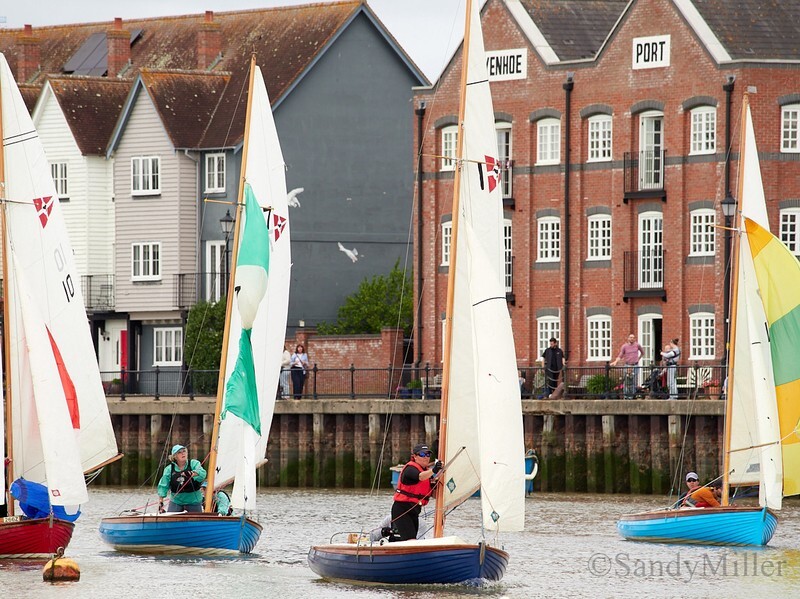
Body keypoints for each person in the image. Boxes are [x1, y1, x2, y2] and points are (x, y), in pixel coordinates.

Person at [390, 444, 442, 542]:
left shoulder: (427, 473)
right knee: (410, 540)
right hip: (402, 510)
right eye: (422, 454)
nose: (426, 457)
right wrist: (434, 470)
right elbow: (420, 477)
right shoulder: (410, 469)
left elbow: (432, 494)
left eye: (428, 454)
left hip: (415, 511)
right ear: (415, 457)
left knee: (412, 538)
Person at [157, 445, 207, 513]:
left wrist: (192, 473)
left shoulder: (193, 464)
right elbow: (163, 486)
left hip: (194, 501)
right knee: (170, 520)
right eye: (179, 452)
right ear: (175, 456)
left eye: (184, 451)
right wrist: (161, 502)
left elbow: (203, 474)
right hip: (176, 501)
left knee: (196, 521)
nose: (183, 453)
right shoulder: (169, 469)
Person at [612, 334, 644, 399]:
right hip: (627, 365)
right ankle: (626, 396)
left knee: (634, 381)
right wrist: (615, 361)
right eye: (630, 337)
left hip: (635, 365)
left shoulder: (637, 345)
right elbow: (620, 355)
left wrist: (638, 358)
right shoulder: (624, 346)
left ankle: (632, 395)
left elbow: (642, 352)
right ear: (628, 338)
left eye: (633, 337)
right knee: (626, 381)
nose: (632, 339)